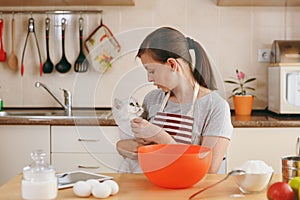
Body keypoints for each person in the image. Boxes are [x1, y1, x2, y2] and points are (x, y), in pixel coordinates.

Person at [116, 27, 233, 173]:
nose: (149, 79)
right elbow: (140, 148)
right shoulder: (152, 99)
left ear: (172, 65)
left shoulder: (215, 107)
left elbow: (208, 170)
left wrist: (160, 137)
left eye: (152, 71)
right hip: (155, 186)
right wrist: (122, 145)